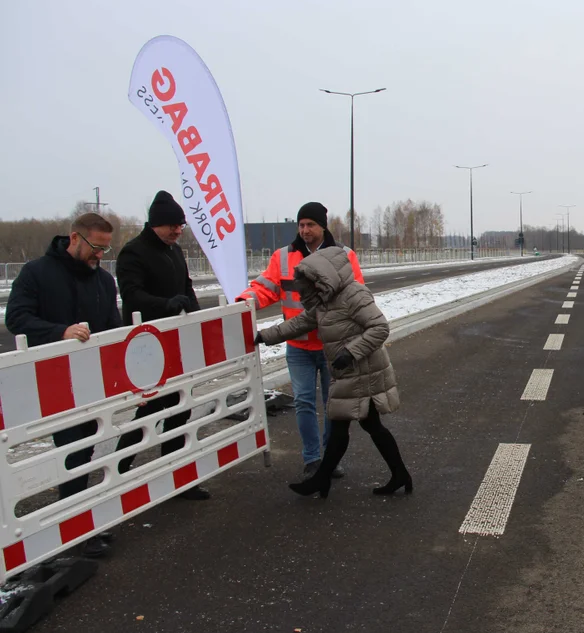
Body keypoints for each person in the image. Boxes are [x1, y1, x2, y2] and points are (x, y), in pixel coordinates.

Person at [5, 212, 124, 558]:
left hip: (92, 382)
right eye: (96, 248)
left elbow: (113, 329)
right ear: (74, 238)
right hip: (51, 382)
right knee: (72, 452)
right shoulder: (36, 273)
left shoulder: (103, 281)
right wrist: (61, 332)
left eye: (105, 250)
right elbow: (17, 318)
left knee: (85, 452)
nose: (100, 256)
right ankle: (70, 531)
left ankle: (78, 524)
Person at [256, 247, 410, 499]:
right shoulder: (324, 301)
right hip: (349, 374)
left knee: (354, 426)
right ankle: (394, 474)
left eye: (309, 282)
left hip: (364, 371)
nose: (305, 288)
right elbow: (299, 323)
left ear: (322, 277)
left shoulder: (354, 293)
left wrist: (350, 352)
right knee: (360, 426)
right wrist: (264, 336)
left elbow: (380, 327)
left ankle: (323, 479)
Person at [237, 203, 364, 479]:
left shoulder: (344, 256)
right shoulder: (283, 257)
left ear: (323, 227)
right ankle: (312, 459)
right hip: (298, 346)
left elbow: (357, 294)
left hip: (333, 346)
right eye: (301, 225)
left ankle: (331, 458)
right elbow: (264, 289)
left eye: (311, 225)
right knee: (305, 402)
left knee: (334, 405)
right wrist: (242, 303)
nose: (305, 230)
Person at [114, 190, 210, 500]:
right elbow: (131, 295)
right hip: (145, 346)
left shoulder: (175, 251)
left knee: (181, 408)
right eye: (172, 226)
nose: (178, 231)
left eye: (181, 226)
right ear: (156, 224)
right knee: (151, 408)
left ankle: (176, 473)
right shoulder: (134, 252)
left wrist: (196, 318)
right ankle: (119, 469)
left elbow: (186, 289)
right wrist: (166, 304)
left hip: (175, 342)